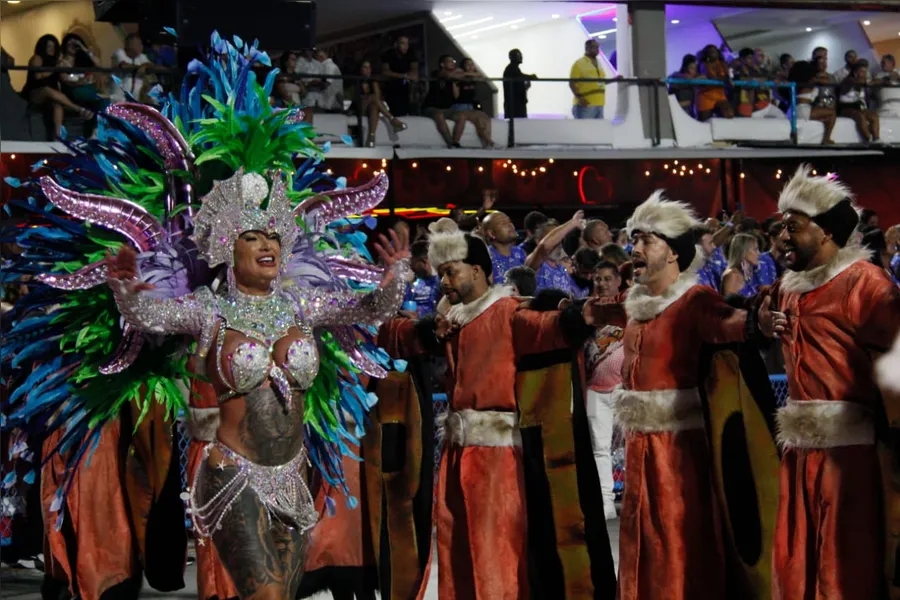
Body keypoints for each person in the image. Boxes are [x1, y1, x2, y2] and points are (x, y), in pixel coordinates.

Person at [378, 218, 616, 599]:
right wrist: (421, 324)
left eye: (451, 271)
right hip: (457, 456)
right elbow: (393, 336)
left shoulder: (507, 312)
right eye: (441, 274)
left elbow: (551, 327)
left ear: (477, 269)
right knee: (456, 552)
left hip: (498, 462)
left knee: (496, 553)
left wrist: (590, 314)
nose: (445, 281)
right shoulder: (451, 322)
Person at [586, 190, 768, 600]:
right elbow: (592, 310)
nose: (634, 249)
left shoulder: (694, 299)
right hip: (639, 445)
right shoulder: (634, 303)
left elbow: (730, 323)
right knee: (639, 537)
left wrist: (762, 322)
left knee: (677, 539)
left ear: (673, 253)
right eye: (634, 240)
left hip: (680, 450)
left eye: (646, 240)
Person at [756, 165, 900, 599]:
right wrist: (760, 322)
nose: (782, 237)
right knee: (796, 561)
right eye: (781, 227)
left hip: (850, 459)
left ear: (825, 232)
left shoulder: (866, 284)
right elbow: (755, 310)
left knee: (845, 565)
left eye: (792, 227)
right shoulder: (786, 288)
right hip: (799, 455)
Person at [583, 260, 625, 521]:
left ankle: (634, 497)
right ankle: (606, 501)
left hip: (625, 387)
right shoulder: (586, 311)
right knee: (599, 448)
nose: (602, 283)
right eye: (598, 279)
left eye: (608, 278)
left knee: (633, 446)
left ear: (618, 281)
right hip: (595, 390)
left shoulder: (630, 308)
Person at [20, 34, 93, 137]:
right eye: (49, 46)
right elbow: (37, 76)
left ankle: (58, 136)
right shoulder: (38, 58)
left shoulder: (56, 62)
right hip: (34, 93)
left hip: (50, 96)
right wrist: (55, 68)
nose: (52, 49)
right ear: (43, 47)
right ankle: (78, 109)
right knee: (47, 90)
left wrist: (80, 80)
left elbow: (64, 79)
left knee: (57, 104)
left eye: (54, 47)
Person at [526, 212, 586, 297]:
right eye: (555, 238)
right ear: (538, 240)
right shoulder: (534, 264)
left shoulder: (563, 269)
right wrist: (572, 223)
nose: (558, 243)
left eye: (560, 238)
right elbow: (544, 246)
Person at [355, 59, 407, 147]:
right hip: (361, 108)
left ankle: (371, 137)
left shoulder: (373, 81)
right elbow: (357, 99)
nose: (368, 70)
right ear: (360, 69)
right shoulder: (356, 80)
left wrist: (374, 86)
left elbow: (378, 97)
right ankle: (392, 120)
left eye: (369, 67)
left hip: (371, 107)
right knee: (373, 98)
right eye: (365, 67)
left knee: (374, 108)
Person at [787, 60, 836, 145]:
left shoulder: (799, 82)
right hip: (804, 109)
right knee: (832, 113)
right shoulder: (812, 80)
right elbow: (829, 82)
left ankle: (825, 137)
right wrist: (819, 75)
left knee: (828, 118)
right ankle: (827, 138)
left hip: (795, 109)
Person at [838, 60, 881, 143]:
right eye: (862, 71)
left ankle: (877, 139)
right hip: (846, 108)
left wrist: (877, 81)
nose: (864, 74)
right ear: (855, 72)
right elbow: (858, 82)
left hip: (858, 107)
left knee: (874, 116)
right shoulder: (849, 79)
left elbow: (875, 81)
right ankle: (868, 139)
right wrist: (869, 82)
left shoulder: (863, 81)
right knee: (859, 116)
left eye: (865, 71)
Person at [482, 206, 526, 284]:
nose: (510, 225)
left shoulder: (520, 253)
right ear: (491, 233)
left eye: (509, 221)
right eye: (503, 223)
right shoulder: (486, 257)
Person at [380, 36, 418, 117]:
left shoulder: (411, 53)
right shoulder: (388, 54)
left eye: (407, 43)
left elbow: (414, 70)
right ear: (396, 44)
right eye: (402, 43)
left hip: (406, 87)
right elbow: (385, 72)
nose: (406, 46)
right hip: (391, 87)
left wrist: (410, 76)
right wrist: (404, 76)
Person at [569, 39, 606, 119]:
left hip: (599, 104)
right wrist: (580, 98)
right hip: (585, 104)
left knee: (598, 130)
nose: (597, 50)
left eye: (598, 47)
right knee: (583, 130)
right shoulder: (579, 63)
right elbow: (572, 83)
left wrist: (615, 79)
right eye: (595, 47)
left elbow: (601, 82)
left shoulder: (599, 63)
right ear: (588, 48)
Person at [297, 48, 343, 112]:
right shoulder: (324, 66)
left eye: (315, 57)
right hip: (327, 101)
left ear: (321, 57)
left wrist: (309, 84)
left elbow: (327, 83)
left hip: (331, 102)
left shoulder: (329, 66)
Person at [110, 33, 152, 103]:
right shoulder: (119, 53)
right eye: (138, 44)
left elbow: (150, 65)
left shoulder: (142, 56)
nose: (141, 46)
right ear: (130, 45)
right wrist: (140, 67)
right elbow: (123, 66)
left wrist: (145, 66)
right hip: (118, 99)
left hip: (135, 100)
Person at [696, 44, 734, 121]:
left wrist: (727, 79)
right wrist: (725, 79)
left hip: (720, 95)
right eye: (711, 52)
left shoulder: (722, 63)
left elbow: (727, 76)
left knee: (729, 113)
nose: (714, 53)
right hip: (706, 95)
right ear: (707, 54)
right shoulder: (703, 64)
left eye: (715, 51)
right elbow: (711, 77)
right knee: (705, 122)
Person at [721, 233, 761, 297]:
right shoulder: (732, 276)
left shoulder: (748, 274)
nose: (759, 253)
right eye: (755, 249)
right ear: (743, 251)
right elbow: (729, 305)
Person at [502, 48, 536, 119]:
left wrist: (525, 87)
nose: (521, 57)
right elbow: (519, 76)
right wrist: (530, 77)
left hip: (516, 104)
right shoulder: (511, 69)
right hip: (515, 106)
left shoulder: (512, 69)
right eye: (519, 55)